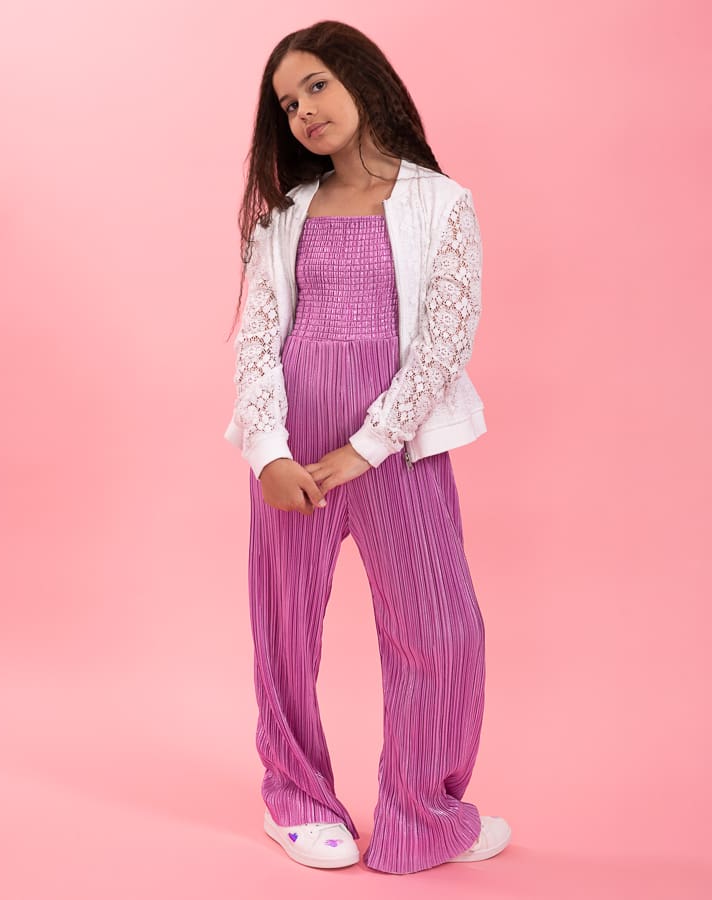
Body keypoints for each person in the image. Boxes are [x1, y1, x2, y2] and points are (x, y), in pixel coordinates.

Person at [223, 19, 511, 876]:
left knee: (441, 629)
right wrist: (269, 451)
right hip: (294, 439)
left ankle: (423, 813)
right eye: (286, 103)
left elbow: (445, 340)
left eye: (315, 85)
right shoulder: (283, 215)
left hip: (397, 443)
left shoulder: (439, 201)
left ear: (361, 78)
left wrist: (370, 443)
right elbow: (257, 337)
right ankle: (297, 799)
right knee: (283, 627)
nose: (303, 111)